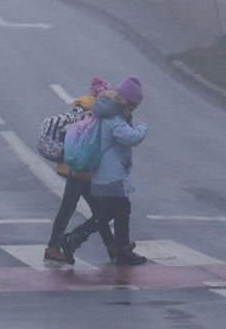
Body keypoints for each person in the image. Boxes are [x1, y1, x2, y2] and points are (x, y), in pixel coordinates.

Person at [60, 76, 148, 266]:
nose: (135, 109)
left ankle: (122, 249)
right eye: (135, 104)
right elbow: (131, 138)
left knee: (121, 210)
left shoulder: (108, 114)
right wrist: (142, 127)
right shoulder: (114, 118)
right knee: (108, 213)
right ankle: (74, 238)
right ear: (129, 102)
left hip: (107, 174)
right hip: (111, 176)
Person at [43, 78, 118, 264]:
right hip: (78, 167)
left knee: (96, 207)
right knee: (69, 206)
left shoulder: (85, 107)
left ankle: (112, 246)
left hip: (77, 166)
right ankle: (53, 247)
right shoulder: (91, 112)